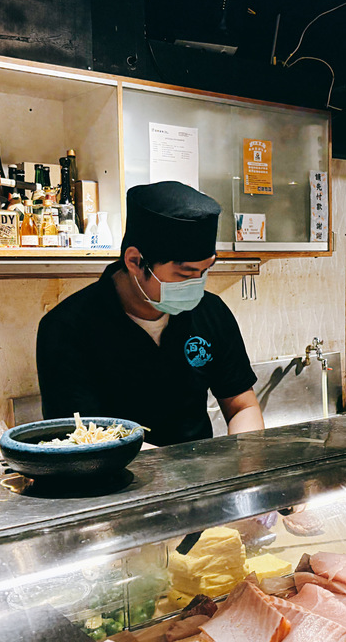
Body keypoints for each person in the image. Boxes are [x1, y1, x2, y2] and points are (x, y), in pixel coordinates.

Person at [37, 181, 264, 446]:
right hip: (113, 479)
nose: (198, 284)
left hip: (201, 478)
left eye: (205, 271)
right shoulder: (67, 328)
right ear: (135, 261)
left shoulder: (210, 312)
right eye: (185, 273)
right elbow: (81, 439)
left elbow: (242, 407)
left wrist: (245, 467)